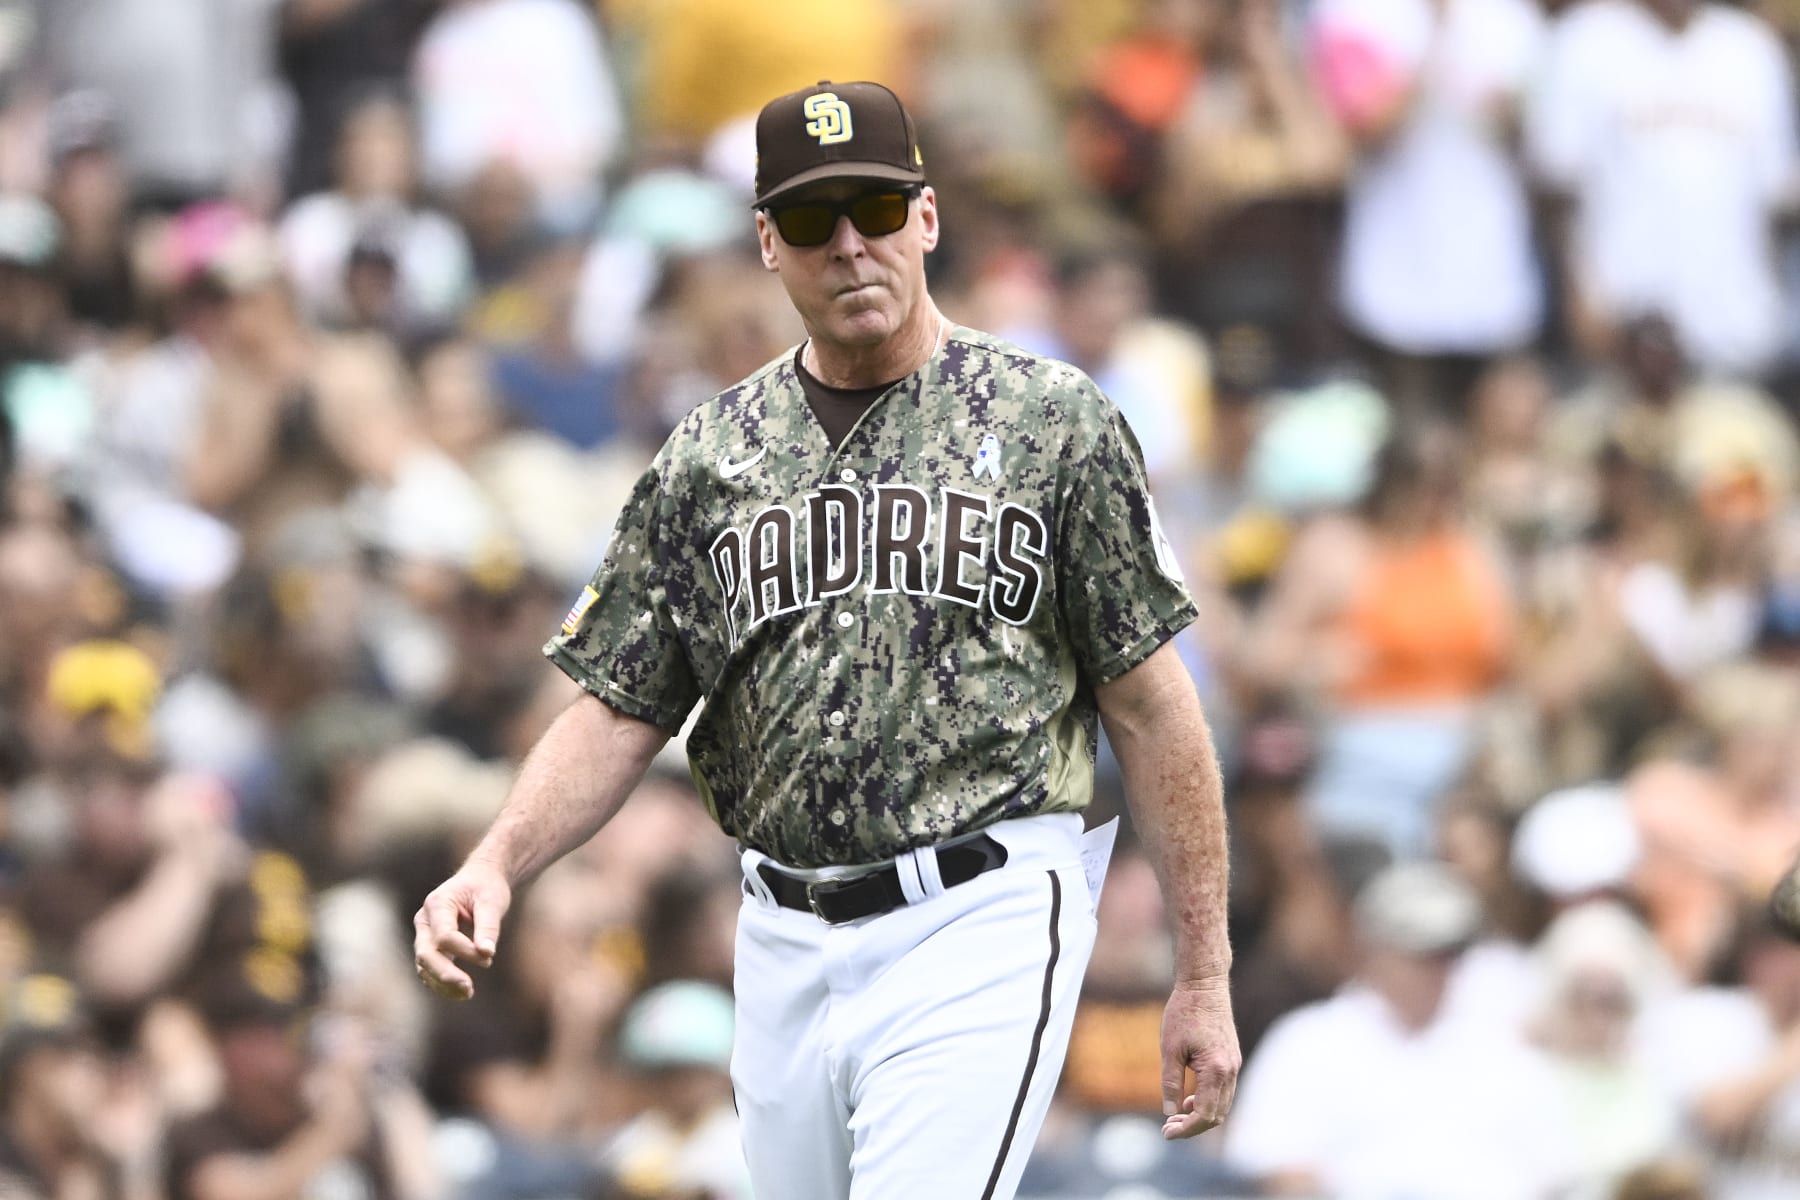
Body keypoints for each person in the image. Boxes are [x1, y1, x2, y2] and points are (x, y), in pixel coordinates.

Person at [414, 80, 1239, 1200]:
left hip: (982, 905)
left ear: (928, 219)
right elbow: (619, 706)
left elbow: (1153, 704)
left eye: (876, 210)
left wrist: (1204, 971)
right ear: (767, 242)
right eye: (812, 220)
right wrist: (496, 860)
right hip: (783, 931)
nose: (850, 245)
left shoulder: (1052, 421)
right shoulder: (711, 456)